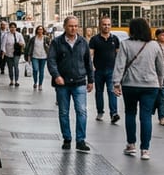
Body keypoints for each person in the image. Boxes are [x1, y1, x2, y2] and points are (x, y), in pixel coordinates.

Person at [113, 17, 164, 161]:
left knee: (130, 113)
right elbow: (161, 67)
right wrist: (160, 83)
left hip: (130, 84)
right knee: (146, 116)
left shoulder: (125, 45)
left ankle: (131, 145)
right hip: (150, 86)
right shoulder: (155, 45)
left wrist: (116, 83)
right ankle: (145, 150)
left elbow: (120, 65)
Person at [46, 16, 94, 152]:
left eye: (76, 26)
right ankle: (67, 138)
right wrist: (56, 76)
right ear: (65, 27)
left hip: (79, 82)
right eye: (71, 26)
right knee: (64, 112)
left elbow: (88, 62)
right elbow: (51, 61)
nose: (74, 28)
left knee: (82, 111)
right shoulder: (57, 42)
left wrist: (91, 80)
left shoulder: (83, 42)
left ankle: (80, 140)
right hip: (62, 83)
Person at [89, 17, 121, 124]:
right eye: (104, 24)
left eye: (108, 24)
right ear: (100, 26)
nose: (106, 26)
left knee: (112, 92)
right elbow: (90, 54)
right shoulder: (94, 39)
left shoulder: (115, 39)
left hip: (111, 71)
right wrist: (91, 66)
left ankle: (114, 114)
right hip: (98, 70)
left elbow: (118, 55)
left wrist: (119, 69)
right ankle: (100, 111)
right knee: (99, 92)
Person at [0, 22, 24, 87]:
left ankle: (16, 81)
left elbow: (23, 43)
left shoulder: (19, 35)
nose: (12, 28)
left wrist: (20, 44)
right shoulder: (6, 35)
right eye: (11, 27)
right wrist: (3, 52)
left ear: (16, 28)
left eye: (14, 27)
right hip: (8, 54)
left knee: (16, 66)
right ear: (9, 28)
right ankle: (11, 80)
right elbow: (3, 45)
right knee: (10, 68)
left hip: (16, 53)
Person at [28, 24, 52, 90]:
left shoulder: (46, 38)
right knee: (35, 69)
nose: (40, 30)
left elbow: (50, 46)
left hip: (43, 57)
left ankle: (40, 84)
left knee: (41, 71)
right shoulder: (33, 38)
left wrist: (48, 48)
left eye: (41, 29)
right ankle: (35, 82)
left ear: (43, 30)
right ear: (37, 30)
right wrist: (29, 56)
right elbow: (30, 47)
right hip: (34, 56)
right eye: (39, 29)